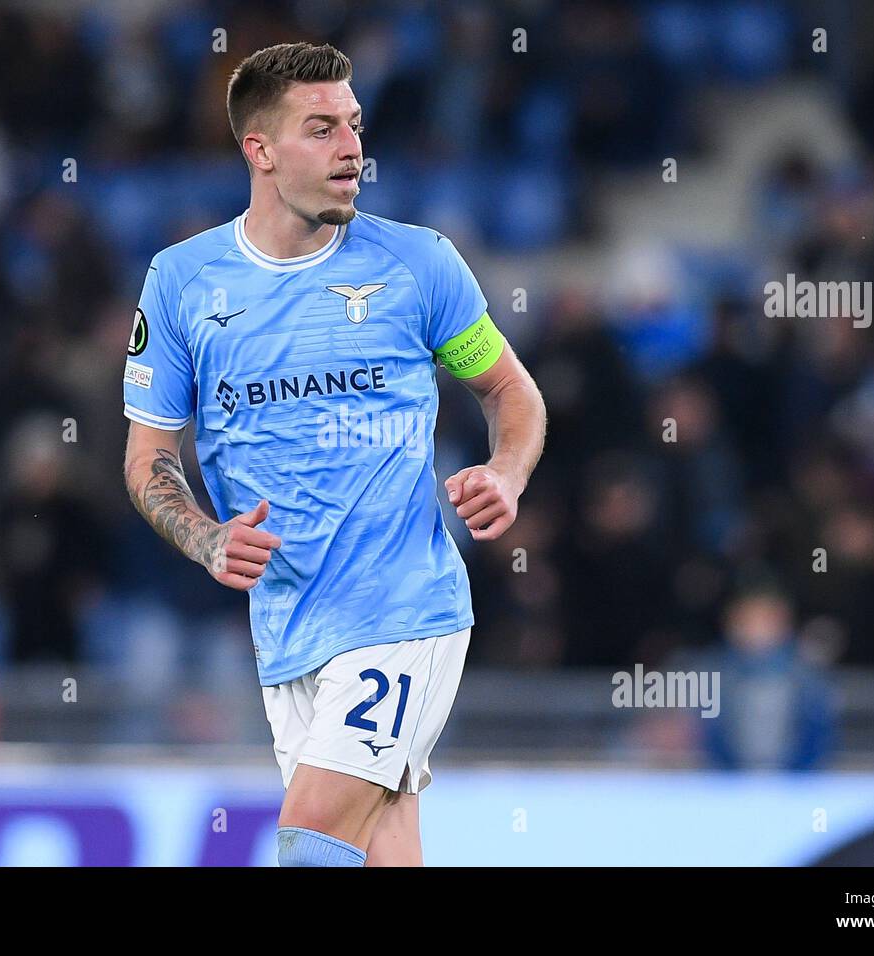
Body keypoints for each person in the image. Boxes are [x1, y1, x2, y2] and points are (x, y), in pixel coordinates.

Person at [121, 42, 545, 866]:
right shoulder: (182, 283)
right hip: (286, 627)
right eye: (322, 129)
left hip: (402, 610)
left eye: (354, 124)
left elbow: (511, 393)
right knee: (381, 852)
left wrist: (506, 471)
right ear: (261, 151)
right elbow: (148, 457)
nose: (352, 147)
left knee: (311, 843)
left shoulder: (418, 265)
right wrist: (205, 537)